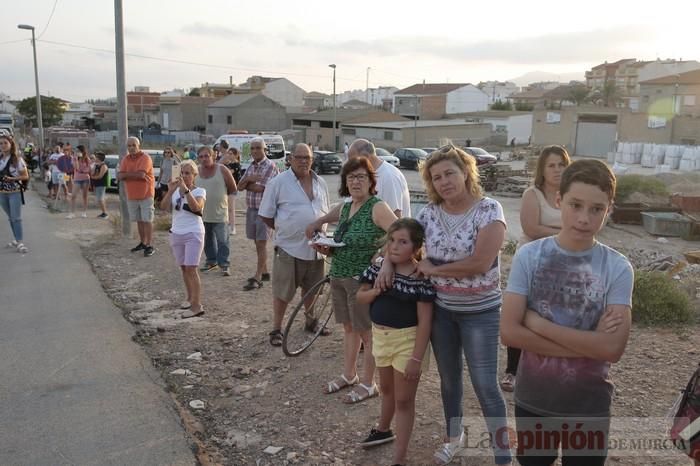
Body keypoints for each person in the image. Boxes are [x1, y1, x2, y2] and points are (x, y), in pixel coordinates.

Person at [377, 143, 512, 465]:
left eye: (450, 173)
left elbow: (480, 262)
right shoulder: (428, 214)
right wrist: (385, 262)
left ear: (466, 173)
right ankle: (455, 437)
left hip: (480, 313)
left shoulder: (489, 210)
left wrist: (436, 270)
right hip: (441, 312)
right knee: (450, 380)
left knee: (485, 385)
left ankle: (502, 454)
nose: (444, 182)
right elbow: (401, 241)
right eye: (436, 177)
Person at [500, 159, 633, 465]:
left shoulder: (618, 268)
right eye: (575, 205)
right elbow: (509, 332)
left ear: (609, 209)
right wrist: (589, 344)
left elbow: (612, 349)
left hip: (589, 406)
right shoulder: (529, 256)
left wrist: (536, 324)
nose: (584, 218)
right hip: (534, 400)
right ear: (559, 200)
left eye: (596, 209)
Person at [315, 157, 397, 404]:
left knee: (367, 333)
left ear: (371, 181)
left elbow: (401, 234)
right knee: (349, 328)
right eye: (351, 177)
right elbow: (339, 237)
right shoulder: (345, 206)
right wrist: (326, 247)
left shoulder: (377, 207)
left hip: (362, 281)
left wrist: (382, 254)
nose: (355, 181)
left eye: (361, 176)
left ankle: (368, 383)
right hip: (339, 275)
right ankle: (349, 375)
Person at [356, 218, 435, 465]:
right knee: (387, 390)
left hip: (406, 342)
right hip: (380, 338)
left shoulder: (420, 276)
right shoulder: (379, 267)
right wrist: (377, 290)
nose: (395, 246)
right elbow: (361, 297)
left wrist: (416, 358)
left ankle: (399, 458)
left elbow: (425, 321)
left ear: (416, 246)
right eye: (392, 240)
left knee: (404, 399)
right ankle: (383, 429)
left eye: (403, 242)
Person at [501, 145, 571, 393]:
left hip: (562, 264)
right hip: (531, 262)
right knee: (521, 314)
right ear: (542, 168)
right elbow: (532, 229)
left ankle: (549, 367)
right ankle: (512, 370)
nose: (557, 170)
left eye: (561, 165)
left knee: (554, 315)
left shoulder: (571, 194)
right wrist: (567, 234)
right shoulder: (533, 194)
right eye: (551, 165)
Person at [258, 143, 331, 346]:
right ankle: (276, 329)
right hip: (289, 248)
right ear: (290, 159)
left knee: (313, 290)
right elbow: (265, 215)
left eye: (307, 157)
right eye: (299, 157)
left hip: (317, 248)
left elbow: (325, 211)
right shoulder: (278, 183)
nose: (303, 161)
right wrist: (285, 229)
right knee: (283, 292)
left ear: (312, 159)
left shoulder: (321, 182)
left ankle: (311, 322)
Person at [305, 138, 410, 239]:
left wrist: (381, 255)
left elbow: (396, 223)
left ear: (365, 157)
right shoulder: (360, 178)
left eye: (352, 159)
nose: (350, 163)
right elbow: (347, 206)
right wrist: (321, 221)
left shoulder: (389, 177)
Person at [159, 160, 207, 318]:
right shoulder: (175, 190)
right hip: (177, 232)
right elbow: (164, 207)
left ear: (194, 175)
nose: (184, 176)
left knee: (192, 268)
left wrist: (186, 191)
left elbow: (197, 208)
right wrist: (170, 190)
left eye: (188, 173)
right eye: (182, 173)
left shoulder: (200, 191)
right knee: (183, 268)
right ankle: (189, 298)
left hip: (193, 232)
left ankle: (197, 305)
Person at [237, 138, 279, 290]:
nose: (254, 151)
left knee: (261, 243)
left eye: (258, 148)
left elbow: (262, 188)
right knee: (257, 242)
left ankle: (258, 277)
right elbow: (239, 186)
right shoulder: (250, 167)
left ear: (264, 150)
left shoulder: (270, 166)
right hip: (252, 209)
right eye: (252, 148)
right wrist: (248, 180)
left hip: (264, 212)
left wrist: (248, 184)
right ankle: (265, 272)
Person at [195, 146, 237, 276]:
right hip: (202, 214)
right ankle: (211, 262)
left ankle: (224, 264)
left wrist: (221, 199)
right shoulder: (195, 171)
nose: (204, 159)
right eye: (201, 156)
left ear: (213, 156)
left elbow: (232, 188)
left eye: (206, 156)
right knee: (207, 241)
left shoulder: (222, 169)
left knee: (223, 240)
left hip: (220, 213)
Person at [118, 137, 156, 257]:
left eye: (133, 145)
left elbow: (141, 174)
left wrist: (126, 175)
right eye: (129, 146)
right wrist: (131, 175)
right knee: (139, 220)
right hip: (132, 194)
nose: (131, 148)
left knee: (147, 220)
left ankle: (149, 245)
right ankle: (143, 242)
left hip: (146, 194)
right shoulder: (126, 159)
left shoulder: (145, 158)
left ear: (138, 146)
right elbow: (119, 176)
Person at [0, 135, 29, 254]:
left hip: (15, 192)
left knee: (16, 218)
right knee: (11, 218)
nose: (2, 145)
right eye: (0, 143)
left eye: (5, 143)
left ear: (11, 144)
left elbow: (25, 176)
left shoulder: (17, 159)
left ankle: (20, 241)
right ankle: (17, 240)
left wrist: (13, 178)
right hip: (2, 193)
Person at [218, 146, 242, 234]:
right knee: (225, 208)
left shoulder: (236, 165)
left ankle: (232, 227)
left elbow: (228, 173)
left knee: (231, 209)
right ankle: (227, 225)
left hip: (232, 189)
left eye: (231, 154)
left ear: (236, 155)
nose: (229, 155)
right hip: (224, 188)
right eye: (228, 153)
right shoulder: (226, 164)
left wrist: (223, 163)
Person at [68, 145, 91, 219]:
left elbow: (89, 169)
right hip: (77, 178)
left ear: (82, 151)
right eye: (76, 151)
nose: (77, 152)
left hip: (85, 178)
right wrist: (76, 159)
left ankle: (84, 212)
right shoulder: (74, 159)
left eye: (78, 151)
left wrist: (84, 171)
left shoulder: (87, 159)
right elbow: (76, 168)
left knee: (85, 196)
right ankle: (72, 213)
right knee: (73, 195)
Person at [90, 152, 109, 218]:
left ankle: (105, 213)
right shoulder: (96, 165)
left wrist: (93, 177)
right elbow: (92, 173)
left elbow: (100, 176)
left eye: (96, 157)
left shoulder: (104, 166)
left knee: (100, 199)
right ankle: (103, 212)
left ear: (99, 158)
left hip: (101, 184)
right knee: (100, 198)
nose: (95, 158)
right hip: (97, 184)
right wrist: (94, 167)